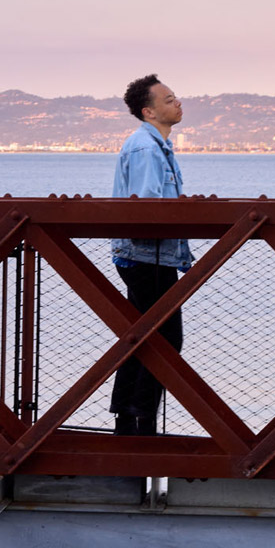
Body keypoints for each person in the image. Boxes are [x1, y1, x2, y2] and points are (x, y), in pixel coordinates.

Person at [109, 74, 189, 434]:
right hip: (147, 256)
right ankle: (140, 420)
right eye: (169, 99)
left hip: (149, 256)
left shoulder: (156, 146)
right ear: (149, 111)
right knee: (165, 340)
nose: (177, 102)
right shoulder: (145, 148)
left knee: (142, 337)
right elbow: (146, 209)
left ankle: (129, 417)